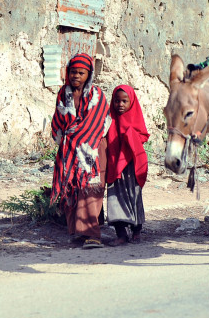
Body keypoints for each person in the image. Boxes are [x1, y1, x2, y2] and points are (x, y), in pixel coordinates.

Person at [50, 53, 110, 249]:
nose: (76, 76)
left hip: (92, 151)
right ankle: (78, 232)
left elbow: (98, 123)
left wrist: (74, 136)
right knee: (72, 190)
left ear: (89, 74)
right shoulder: (63, 93)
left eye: (81, 73)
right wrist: (65, 139)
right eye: (73, 72)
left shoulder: (97, 95)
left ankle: (93, 235)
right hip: (69, 152)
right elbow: (58, 121)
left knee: (90, 191)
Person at [105, 85, 150, 246]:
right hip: (114, 162)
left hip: (131, 165)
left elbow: (143, 135)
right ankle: (121, 234)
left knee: (134, 196)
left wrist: (131, 136)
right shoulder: (110, 119)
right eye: (117, 101)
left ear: (131, 102)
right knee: (114, 197)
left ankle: (136, 231)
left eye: (124, 101)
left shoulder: (135, 117)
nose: (120, 104)